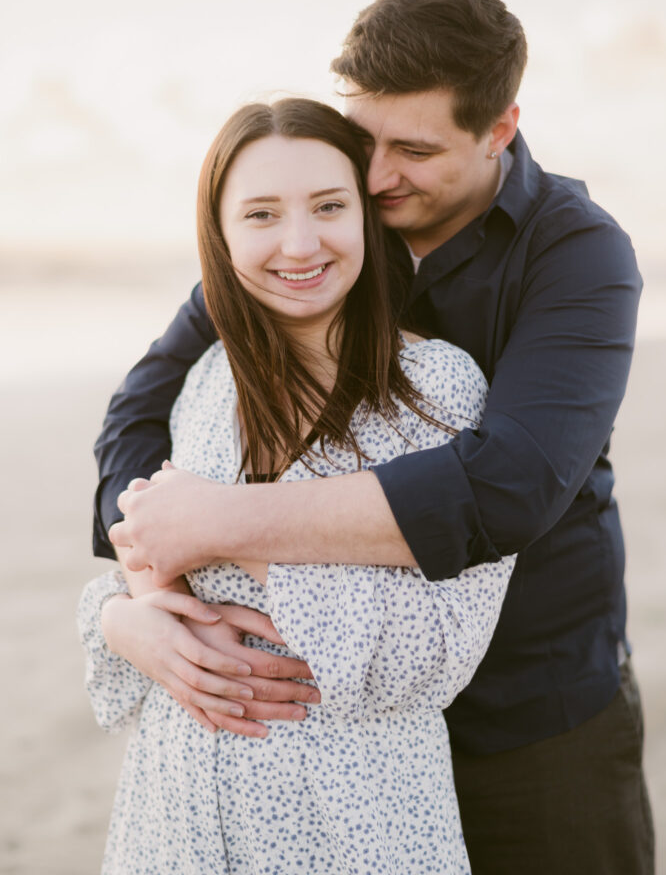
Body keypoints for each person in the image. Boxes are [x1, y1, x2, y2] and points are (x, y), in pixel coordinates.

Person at [96, 0, 654, 874]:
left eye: (417, 151)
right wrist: (146, 595)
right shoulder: (320, 227)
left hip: (532, 714)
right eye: (365, 138)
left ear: (500, 128)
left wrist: (219, 524)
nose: (379, 176)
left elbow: (504, 490)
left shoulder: (579, 253)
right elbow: (139, 414)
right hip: (326, 744)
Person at [79, 97, 515, 874]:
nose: (300, 243)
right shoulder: (206, 382)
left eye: (328, 206)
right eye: (261, 214)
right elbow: (146, 564)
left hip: (351, 832)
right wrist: (123, 622)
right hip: (174, 820)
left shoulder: (440, 389)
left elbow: (438, 656)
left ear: (366, 216)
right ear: (219, 235)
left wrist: (226, 531)